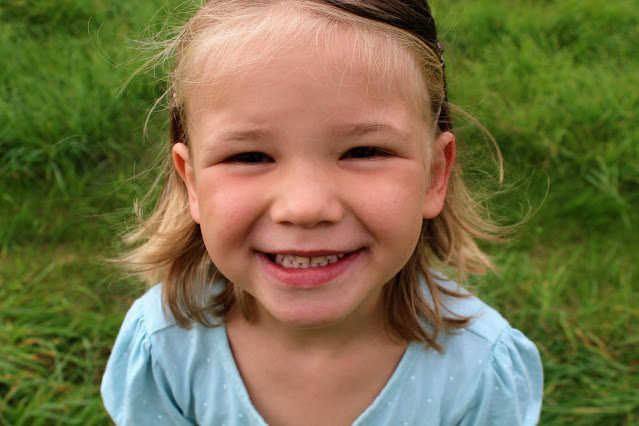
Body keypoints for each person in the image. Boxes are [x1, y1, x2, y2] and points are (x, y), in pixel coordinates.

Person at [101, 1, 543, 424]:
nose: (305, 208)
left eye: (363, 151)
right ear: (192, 182)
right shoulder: (164, 348)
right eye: (250, 156)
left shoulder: (479, 370)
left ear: (434, 175)